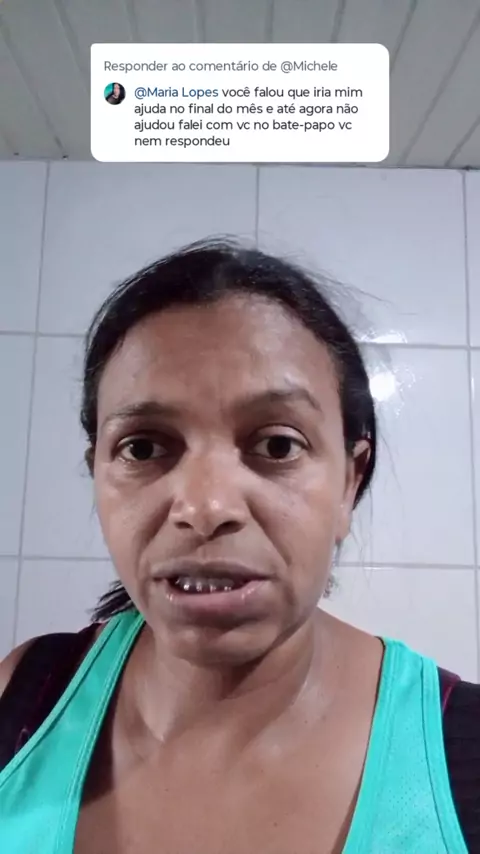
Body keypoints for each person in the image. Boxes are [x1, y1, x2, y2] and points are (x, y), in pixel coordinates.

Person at [0, 238, 476, 853]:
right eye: (144, 447)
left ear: (348, 482)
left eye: (277, 445)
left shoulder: (463, 754)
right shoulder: (25, 696)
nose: (205, 508)